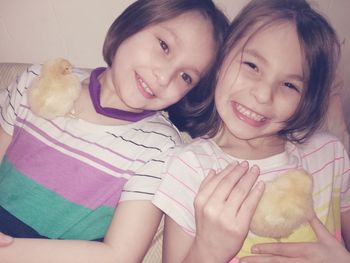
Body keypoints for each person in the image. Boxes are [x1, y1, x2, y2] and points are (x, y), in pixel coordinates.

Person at [0, 0, 229, 262]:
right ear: (132, 25)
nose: (164, 77)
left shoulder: (161, 148)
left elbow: (119, 255)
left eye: (186, 76)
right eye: (164, 46)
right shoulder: (40, 79)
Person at [123, 0, 349, 262]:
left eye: (289, 84)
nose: (263, 95)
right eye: (252, 65)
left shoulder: (330, 154)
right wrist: (208, 250)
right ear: (221, 61)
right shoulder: (191, 168)